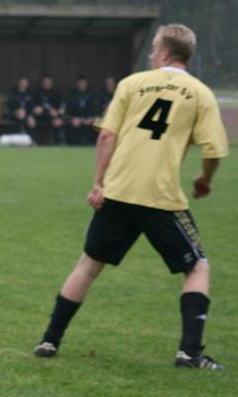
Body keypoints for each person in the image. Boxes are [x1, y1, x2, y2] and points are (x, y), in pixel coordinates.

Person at [34, 24, 229, 369]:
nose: (151, 54)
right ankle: (189, 353)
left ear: (166, 53)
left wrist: (99, 184)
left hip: (119, 191)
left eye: (154, 48)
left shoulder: (131, 83)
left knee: (89, 265)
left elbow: (107, 136)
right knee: (197, 266)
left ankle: (49, 340)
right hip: (160, 196)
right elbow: (214, 151)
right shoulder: (200, 93)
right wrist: (205, 179)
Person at [64, 75, 97, 146]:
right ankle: (74, 144)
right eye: (79, 83)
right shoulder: (71, 94)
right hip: (75, 119)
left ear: (86, 83)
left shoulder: (92, 94)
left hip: (89, 118)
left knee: (96, 122)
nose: (81, 85)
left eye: (83, 83)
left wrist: (91, 118)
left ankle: (92, 144)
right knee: (75, 123)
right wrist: (72, 119)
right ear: (77, 84)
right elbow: (67, 111)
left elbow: (95, 109)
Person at [32, 75, 66, 145]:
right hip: (40, 117)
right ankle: (34, 142)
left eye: (48, 83)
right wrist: (47, 111)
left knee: (59, 122)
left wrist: (57, 112)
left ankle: (60, 144)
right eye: (45, 83)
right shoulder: (38, 93)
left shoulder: (56, 93)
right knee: (32, 121)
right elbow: (35, 109)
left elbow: (61, 109)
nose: (46, 84)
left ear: (51, 83)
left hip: (53, 118)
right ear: (42, 84)